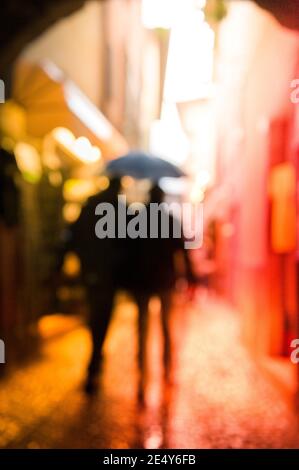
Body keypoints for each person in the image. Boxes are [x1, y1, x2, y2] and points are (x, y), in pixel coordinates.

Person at [127, 184, 196, 402]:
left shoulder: (137, 219)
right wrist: (191, 277)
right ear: (163, 198)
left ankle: (142, 377)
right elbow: (184, 251)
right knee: (166, 327)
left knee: (143, 330)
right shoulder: (170, 220)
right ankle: (167, 372)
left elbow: (128, 251)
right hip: (165, 281)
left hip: (143, 282)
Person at [64, 177, 125, 393]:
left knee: (93, 313)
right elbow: (125, 245)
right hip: (109, 275)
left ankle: (95, 356)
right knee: (103, 316)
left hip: (90, 270)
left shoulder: (90, 205)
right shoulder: (120, 210)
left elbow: (73, 235)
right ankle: (95, 358)